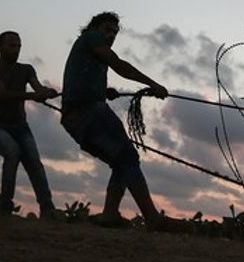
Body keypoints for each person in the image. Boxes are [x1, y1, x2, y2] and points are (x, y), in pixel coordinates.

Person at [59, 11, 174, 229]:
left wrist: (104, 90)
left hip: (75, 118)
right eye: (107, 30)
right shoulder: (91, 38)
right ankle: (152, 217)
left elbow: (84, 79)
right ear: (95, 27)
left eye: (115, 32)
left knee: (120, 161)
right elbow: (120, 66)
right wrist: (153, 85)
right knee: (128, 157)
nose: (111, 35)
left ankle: (110, 214)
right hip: (89, 112)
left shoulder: (90, 51)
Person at [0, 30, 59, 219]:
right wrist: (34, 95)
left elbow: (36, 86)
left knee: (34, 163)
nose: (16, 50)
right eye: (12, 46)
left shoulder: (26, 69)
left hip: (20, 127)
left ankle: (47, 209)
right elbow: (2, 94)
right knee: (13, 152)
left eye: (19, 46)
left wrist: (45, 92)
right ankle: (5, 204)